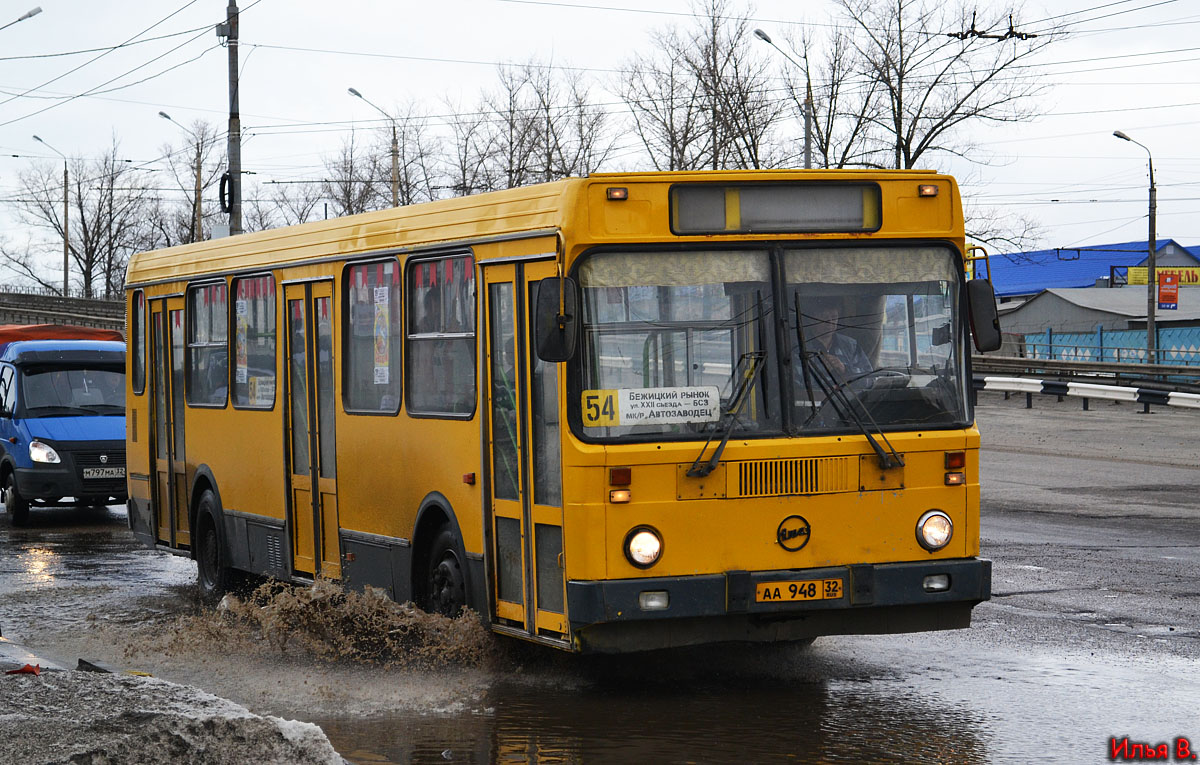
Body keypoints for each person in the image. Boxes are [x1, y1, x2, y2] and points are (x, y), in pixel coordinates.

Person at [796, 298, 873, 393]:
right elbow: (793, 384)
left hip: (847, 404)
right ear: (812, 320)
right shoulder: (799, 347)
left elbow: (870, 380)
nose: (830, 322)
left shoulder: (851, 346)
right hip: (812, 404)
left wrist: (845, 370)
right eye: (824, 317)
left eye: (834, 317)